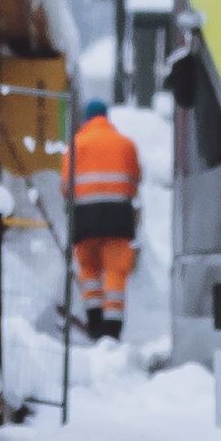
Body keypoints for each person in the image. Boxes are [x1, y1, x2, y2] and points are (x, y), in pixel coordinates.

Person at [65, 98, 141, 342]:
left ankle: (95, 322)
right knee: (115, 272)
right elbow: (135, 179)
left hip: (85, 218)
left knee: (89, 269)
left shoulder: (75, 145)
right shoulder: (125, 144)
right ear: (106, 117)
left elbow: (66, 186)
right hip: (118, 217)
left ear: (87, 119)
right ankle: (112, 329)